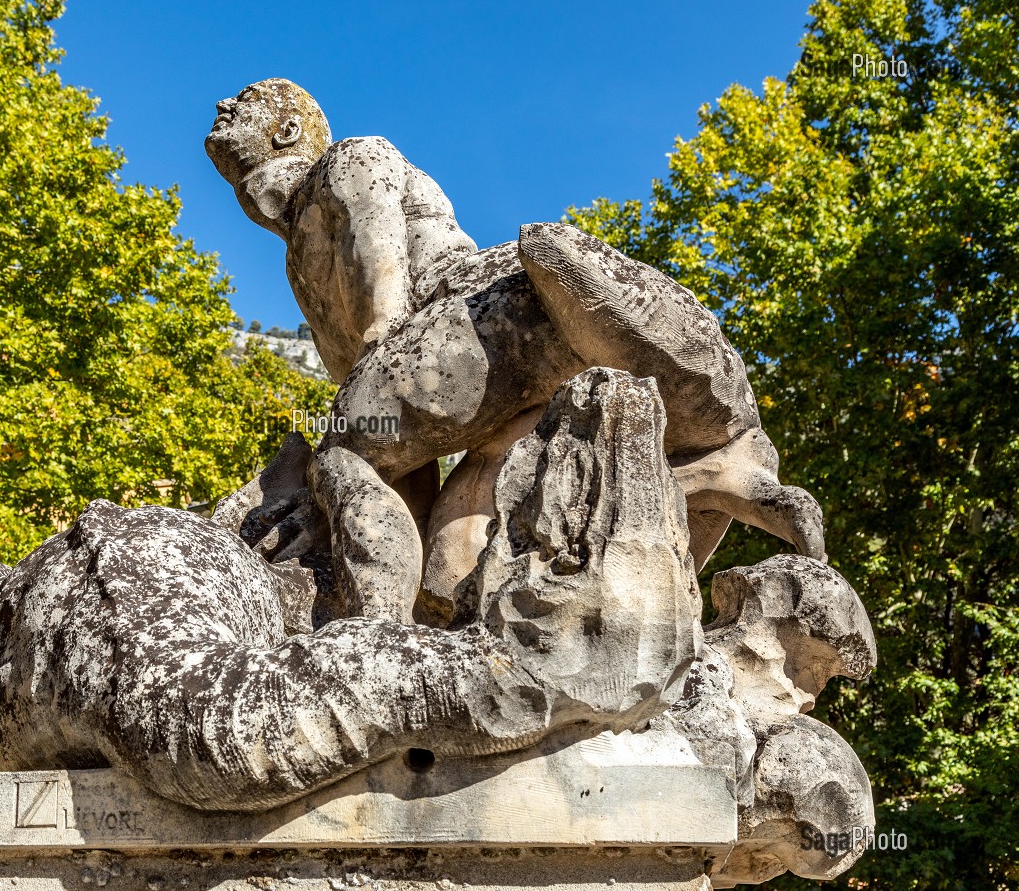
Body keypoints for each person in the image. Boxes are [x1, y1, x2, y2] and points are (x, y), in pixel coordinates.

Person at [206, 79, 824, 625]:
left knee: (348, 447)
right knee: (454, 548)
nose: (223, 104)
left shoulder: (348, 159)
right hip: (488, 359)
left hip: (479, 311)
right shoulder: (301, 260)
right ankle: (709, 477)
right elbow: (397, 437)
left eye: (246, 101)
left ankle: (379, 638)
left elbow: (378, 260)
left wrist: (379, 348)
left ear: (288, 131)